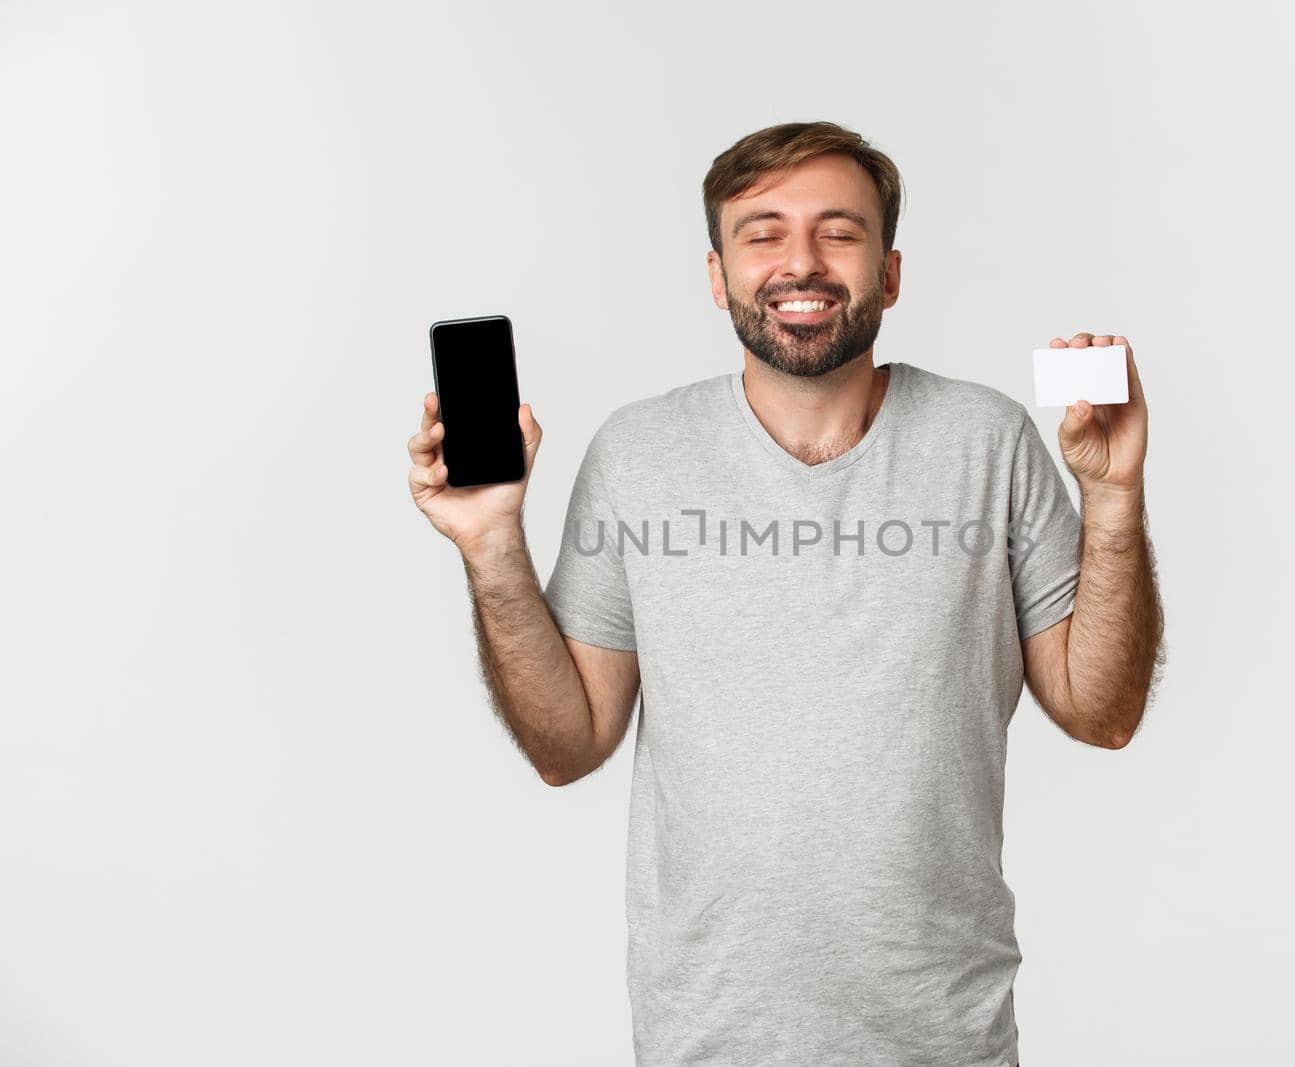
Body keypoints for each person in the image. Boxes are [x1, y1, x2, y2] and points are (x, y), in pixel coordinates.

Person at [406, 120, 1165, 1066]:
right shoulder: (638, 454)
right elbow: (568, 746)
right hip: (709, 1037)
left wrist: (1113, 495)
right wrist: (490, 546)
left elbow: (1104, 712)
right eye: (762, 233)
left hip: (945, 1037)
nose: (799, 262)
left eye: (838, 232)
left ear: (889, 273)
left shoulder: (989, 441)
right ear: (718, 275)